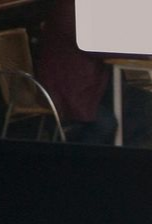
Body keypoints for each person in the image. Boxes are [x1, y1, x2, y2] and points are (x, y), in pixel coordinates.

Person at [37, 0, 117, 145]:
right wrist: (147, 53)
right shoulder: (68, 10)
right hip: (67, 91)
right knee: (106, 124)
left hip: (94, 85)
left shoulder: (89, 9)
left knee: (145, 104)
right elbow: (98, 45)